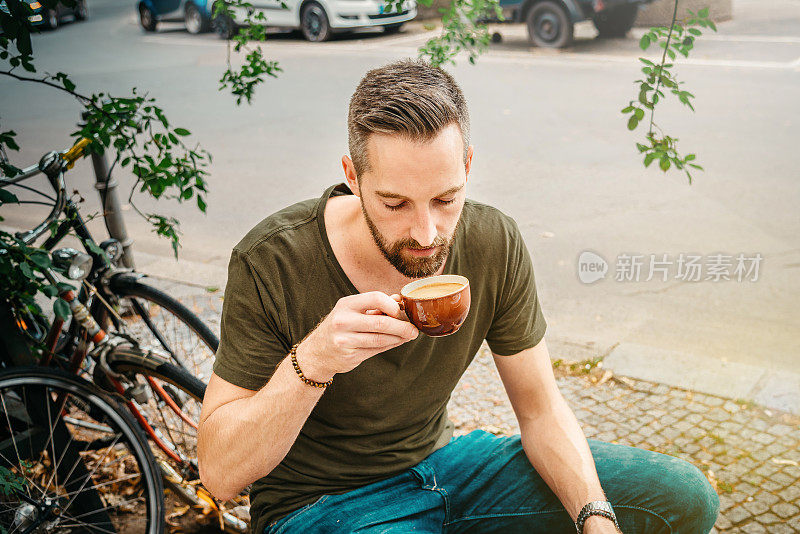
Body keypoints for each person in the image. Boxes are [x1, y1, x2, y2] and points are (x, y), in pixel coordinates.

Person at [197, 59, 719, 534]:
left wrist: (594, 516)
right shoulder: (272, 260)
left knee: (682, 496)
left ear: (467, 166)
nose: (427, 232)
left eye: (446, 199)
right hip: (321, 503)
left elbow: (540, 411)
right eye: (395, 203)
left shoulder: (494, 241)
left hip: (450, 469)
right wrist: (314, 359)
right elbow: (220, 474)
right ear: (353, 177)